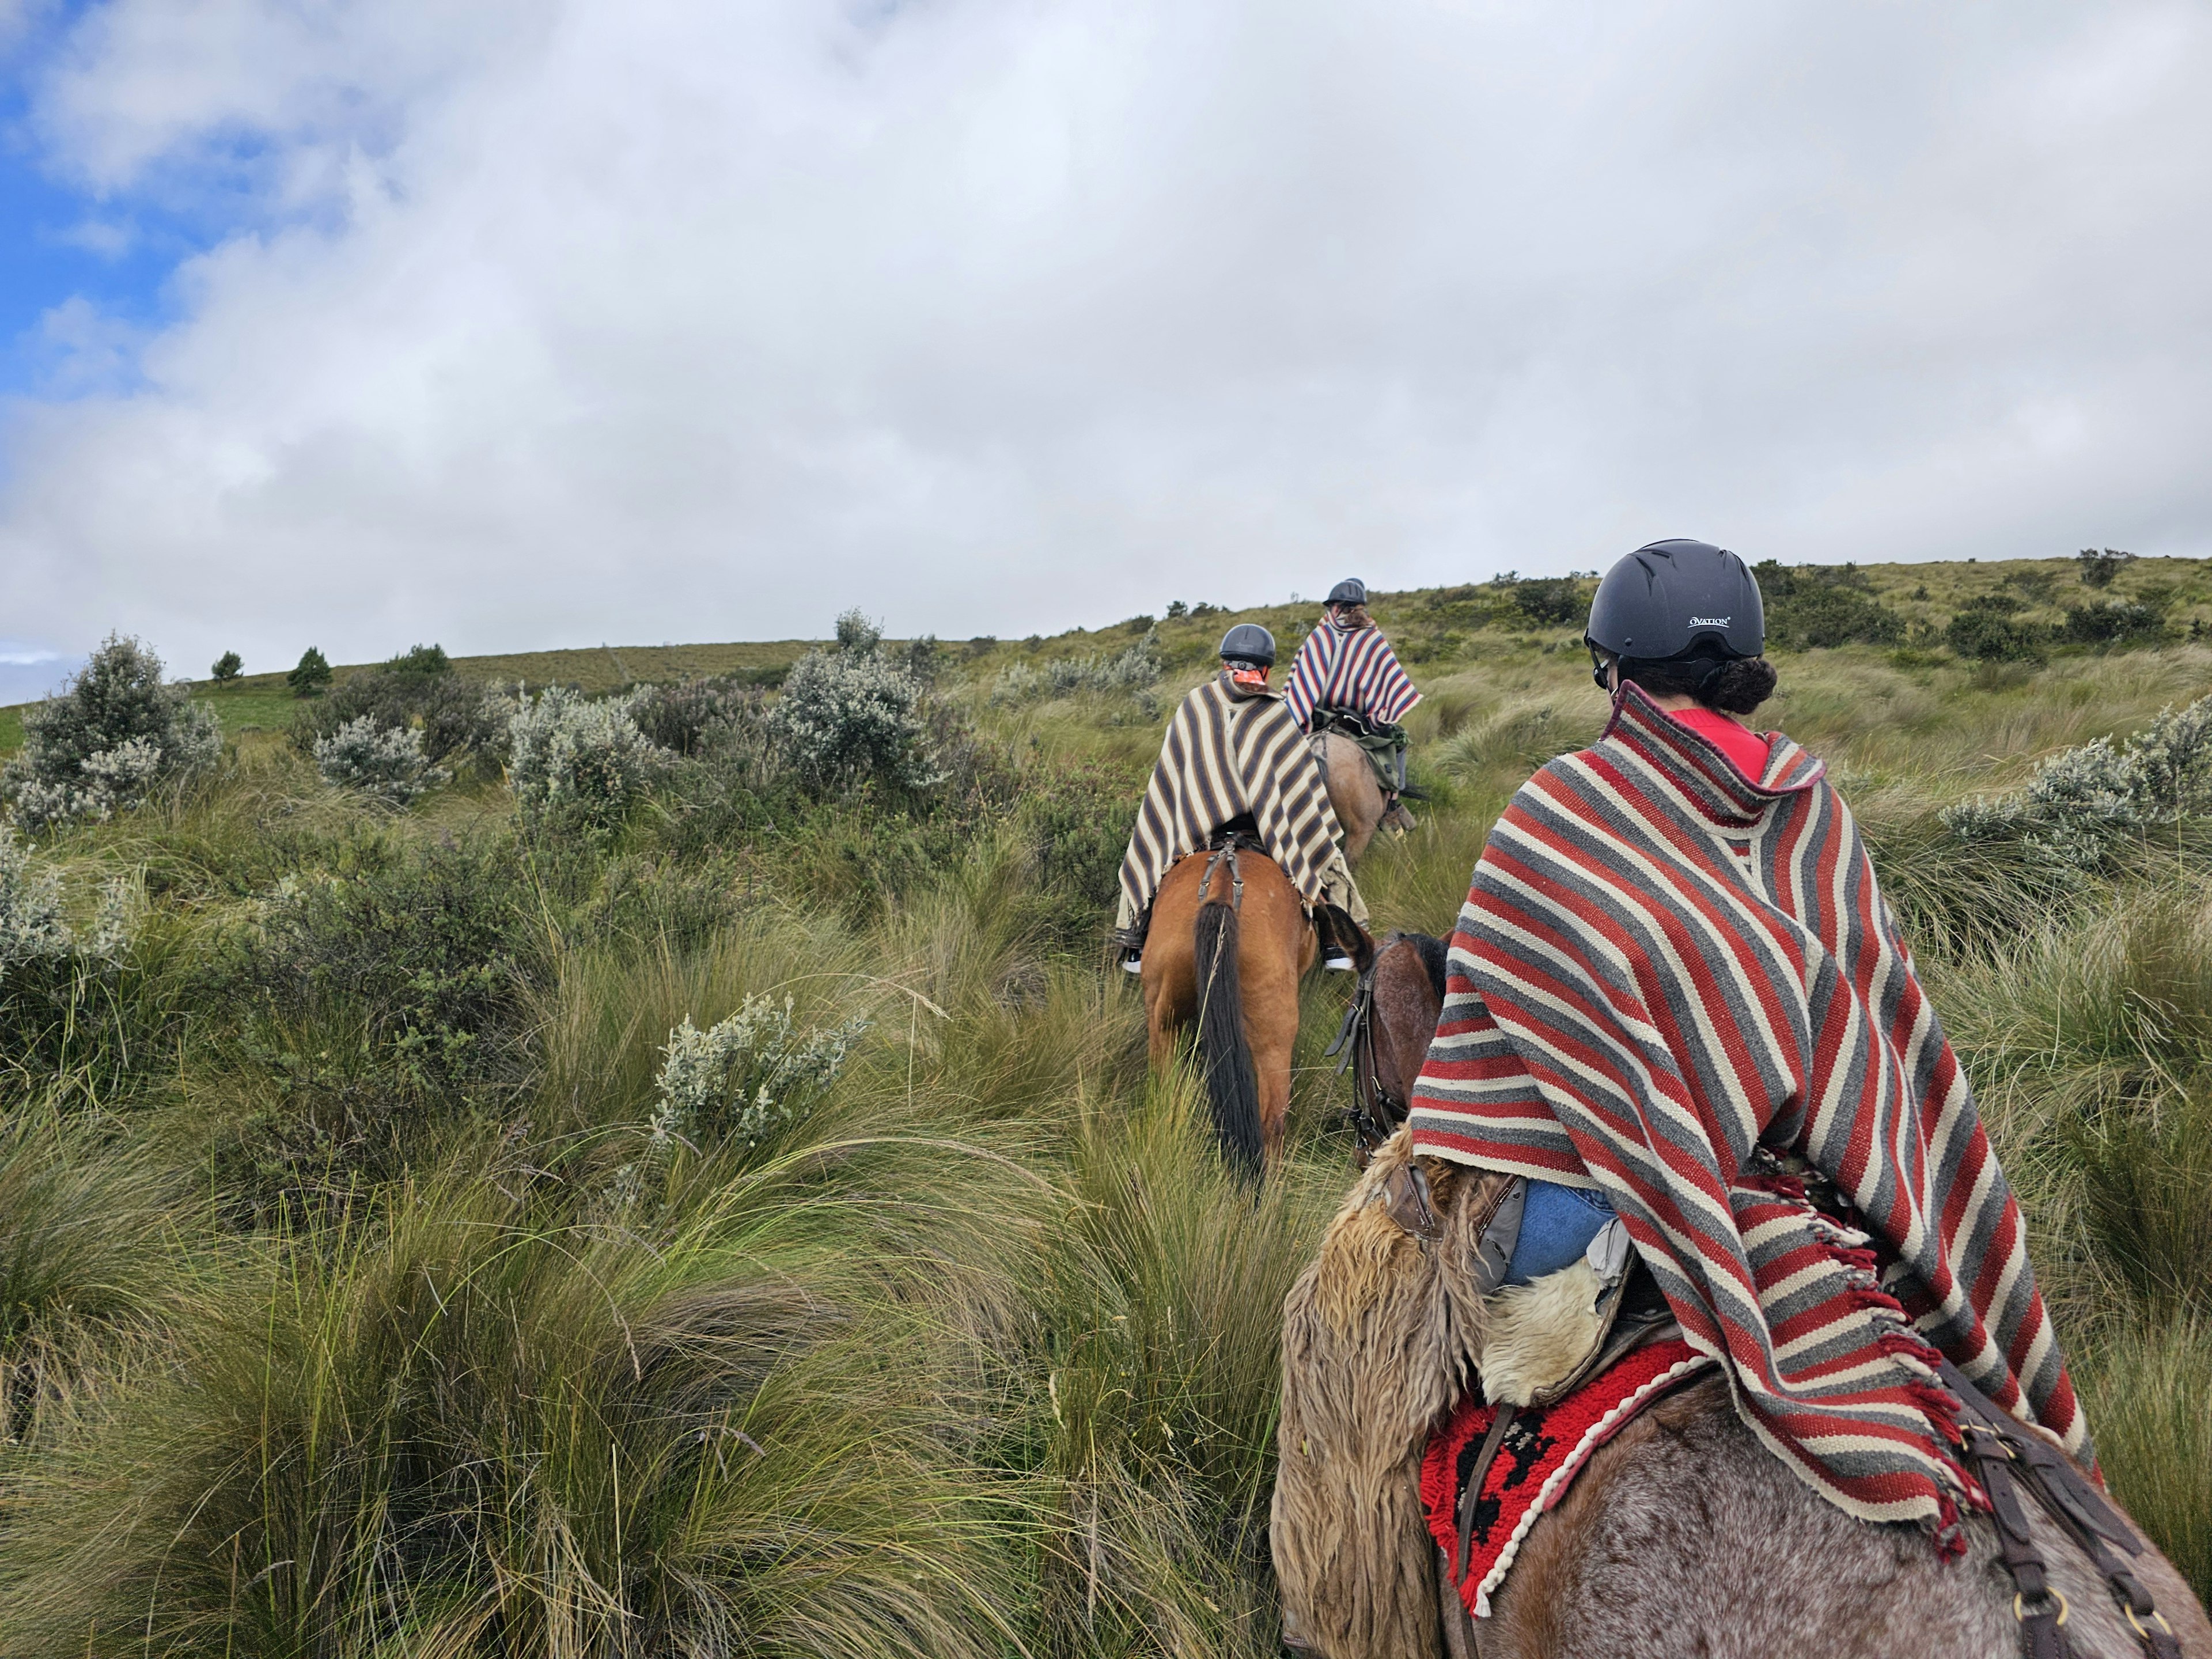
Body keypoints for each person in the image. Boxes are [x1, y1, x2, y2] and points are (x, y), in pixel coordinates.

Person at [1404, 539, 2086, 1547]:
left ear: (1616, 670)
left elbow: (1503, 989)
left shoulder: (1563, 807)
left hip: (1597, 1189)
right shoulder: (1813, 808)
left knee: (1361, 1311)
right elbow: (1879, 1019)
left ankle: (1344, 1607)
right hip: (1827, 1172)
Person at [1115, 622, 1368, 974]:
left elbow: (1170, 782)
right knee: (1315, 858)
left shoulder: (1196, 704)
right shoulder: (1275, 712)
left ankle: (1136, 940)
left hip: (1196, 834)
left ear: (1224, 662)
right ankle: (1332, 944)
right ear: (1266, 667)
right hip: (1266, 835)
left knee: (1151, 853)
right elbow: (1298, 790)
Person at [1281, 578, 1422, 809]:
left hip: (1316, 717)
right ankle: (1392, 806)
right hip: (1356, 722)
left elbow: (1301, 685)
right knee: (1398, 741)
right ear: (1361, 607)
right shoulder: (1371, 638)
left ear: (1334, 607)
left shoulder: (1319, 636)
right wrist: (1377, 715)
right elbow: (1389, 686)